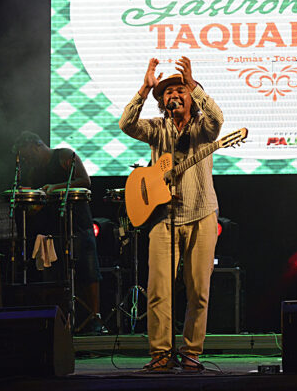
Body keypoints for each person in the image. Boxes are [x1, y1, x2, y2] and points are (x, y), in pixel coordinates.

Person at [119, 56, 223, 372]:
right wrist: (144, 88)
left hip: (202, 213)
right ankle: (161, 355)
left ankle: (191, 352)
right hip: (162, 217)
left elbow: (218, 120)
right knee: (158, 292)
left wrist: (194, 83)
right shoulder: (157, 128)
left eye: (180, 90)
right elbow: (126, 124)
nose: (173, 95)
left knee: (199, 291)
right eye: (167, 92)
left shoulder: (204, 128)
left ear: (191, 95)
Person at [14, 131, 108, 335]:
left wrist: (55, 187)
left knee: (88, 272)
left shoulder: (64, 155)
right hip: (52, 229)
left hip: (79, 223)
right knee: (55, 276)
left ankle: (94, 319)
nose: (28, 160)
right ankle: (61, 322)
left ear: (37, 145)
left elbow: (85, 181)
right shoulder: (33, 172)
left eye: (28, 155)